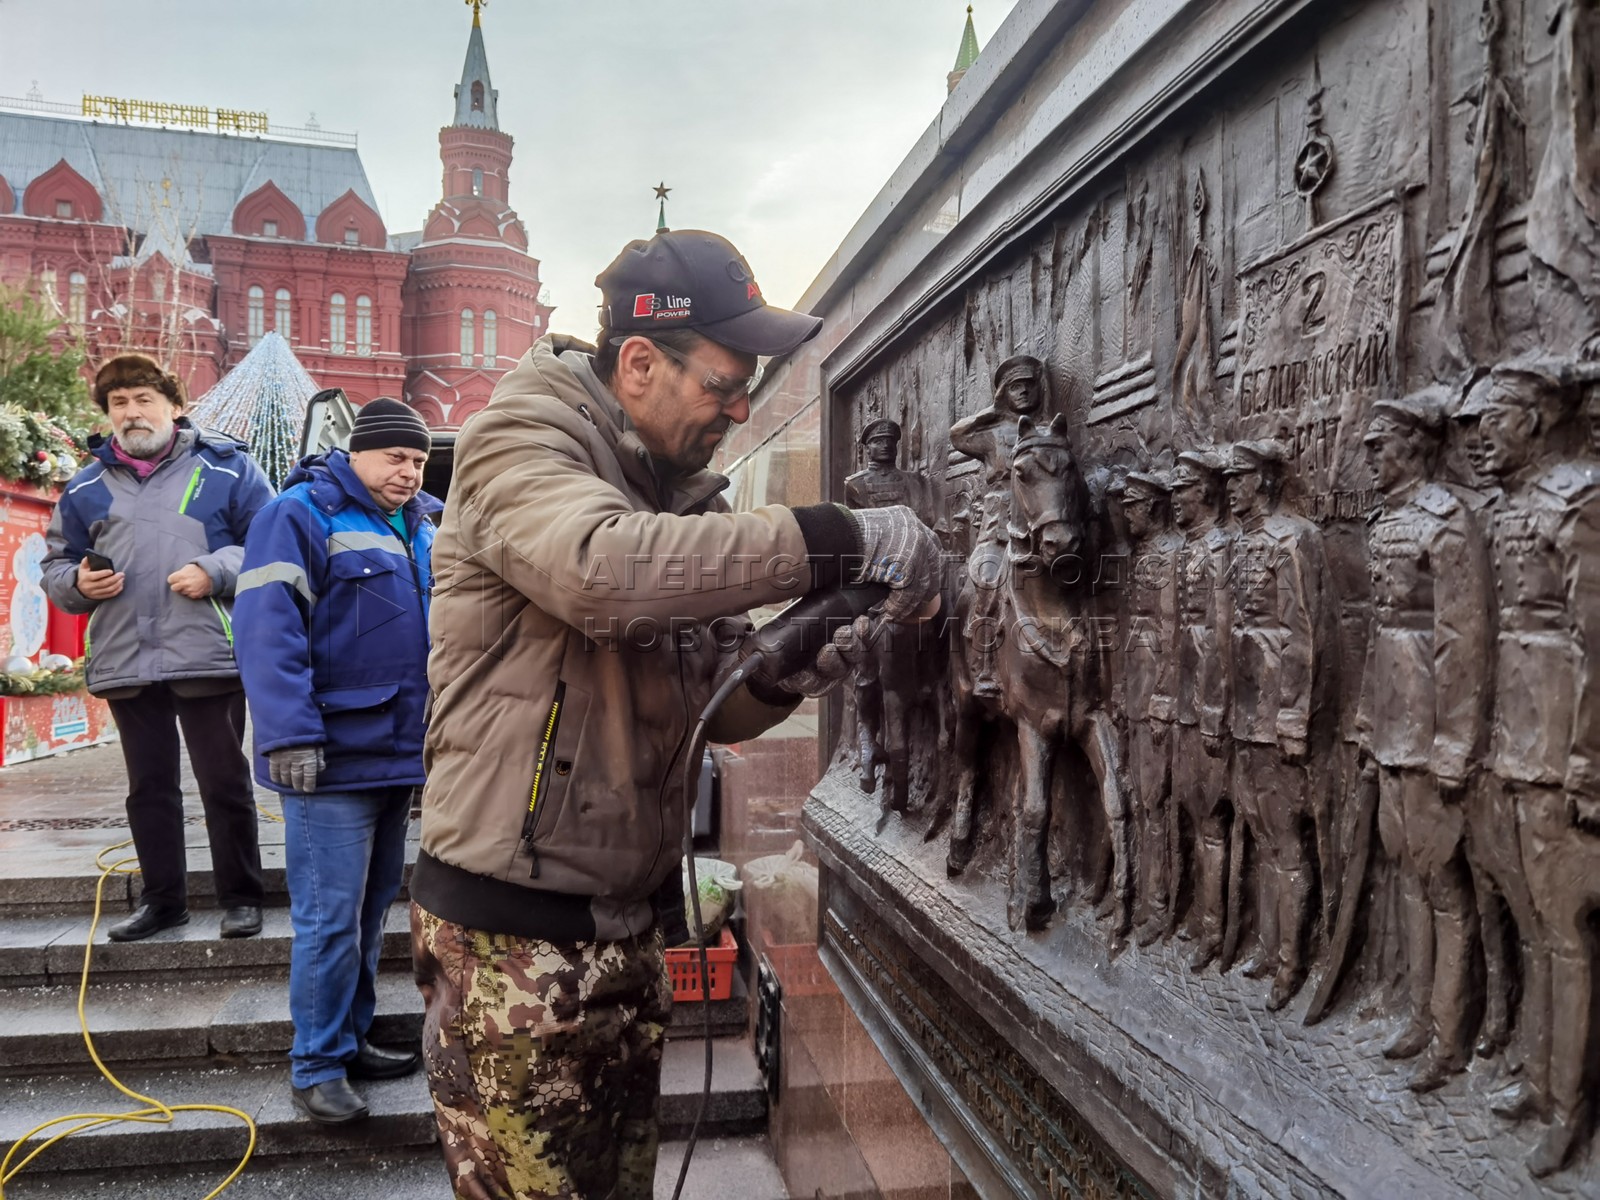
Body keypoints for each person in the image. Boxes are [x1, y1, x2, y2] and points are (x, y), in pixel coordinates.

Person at [409, 228, 943, 1200]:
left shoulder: (678, 500)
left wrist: (808, 653)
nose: (739, 408)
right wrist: (838, 539)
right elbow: (599, 570)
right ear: (641, 361)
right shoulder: (519, 440)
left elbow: (718, 708)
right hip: (515, 948)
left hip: (625, 934)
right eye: (722, 382)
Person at [232, 399, 440, 1125]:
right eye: (394, 457)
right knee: (328, 918)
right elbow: (264, 632)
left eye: (416, 461)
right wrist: (287, 734)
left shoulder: (424, 523)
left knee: (369, 908)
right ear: (357, 453)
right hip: (325, 760)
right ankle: (315, 1064)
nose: (408, 471)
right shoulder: (299, 515)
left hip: (395, 756)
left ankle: (350, 1039)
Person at [41, 353, 273, 943]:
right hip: (125, 654)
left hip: (206, 649)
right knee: (149, 787)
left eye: (144, 400)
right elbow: (56, 563)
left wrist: (215, 571)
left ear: (174, 407)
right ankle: (162, 902)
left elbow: (272, 543)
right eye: (119, 403)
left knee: (222, 779)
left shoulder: (229, 468)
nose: (131, 412)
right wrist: (76, 584)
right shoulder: (85, 484)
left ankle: (242, 897)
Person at [1357, 391, 1491, 1093]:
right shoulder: (1386, 522)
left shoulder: (1447, 518)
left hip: (1432, 732)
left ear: (1414, 444)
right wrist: (1363, 720)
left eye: (1380, 444)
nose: (1369, 455)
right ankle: (1415, 1014)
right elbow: (1381, 633)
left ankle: (1449, 1033)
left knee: (1443, 882)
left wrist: (1455, 742)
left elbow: (1463, 638)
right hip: (1390, 726)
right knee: (1405, 870)